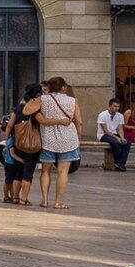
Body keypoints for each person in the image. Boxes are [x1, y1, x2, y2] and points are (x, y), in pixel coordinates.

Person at [35, 76, 82, 209]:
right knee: (63, 172)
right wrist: (79, 137)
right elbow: (79, 121)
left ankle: (44, 200)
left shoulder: (42, 99)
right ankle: (58, 202)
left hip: (48, 139)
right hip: (68, 139)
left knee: (45, 171)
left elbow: (33, 112)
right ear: (63, 87)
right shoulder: (72, 101)